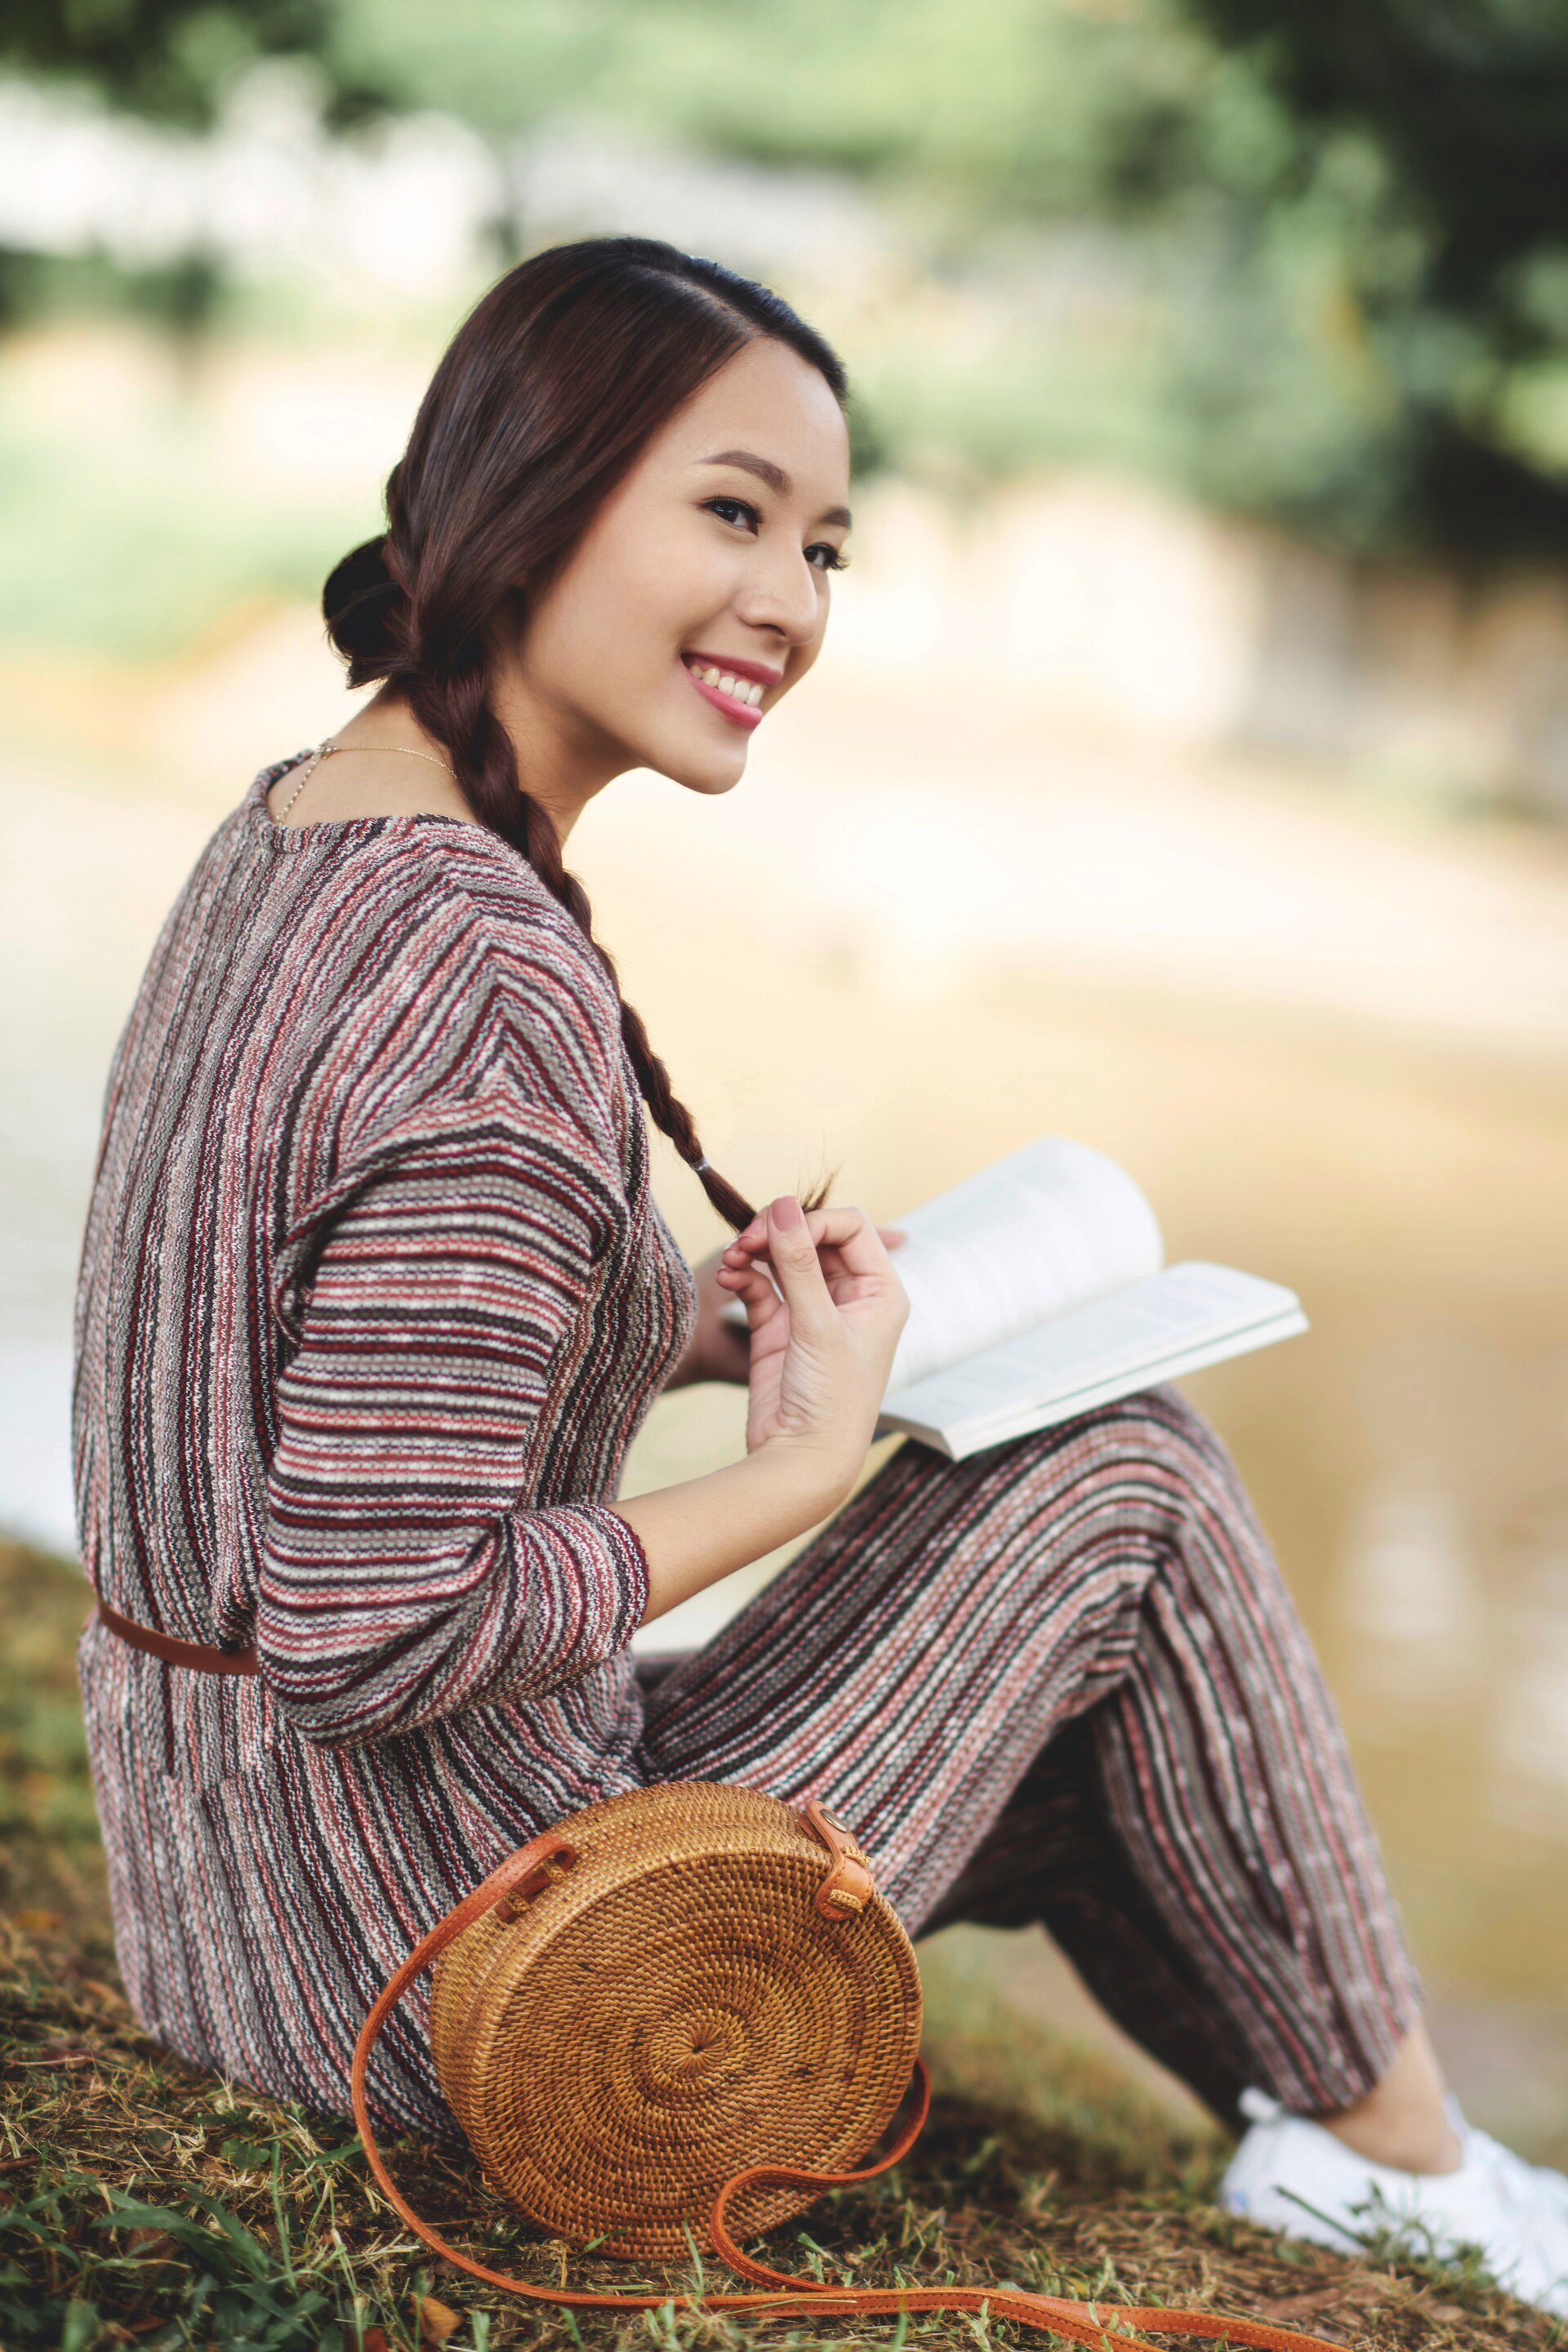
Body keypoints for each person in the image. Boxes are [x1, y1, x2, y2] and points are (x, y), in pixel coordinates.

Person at [72, 235, 1567, 2315]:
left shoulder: (305, 834)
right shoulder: (484, 981)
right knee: (1127, 1485)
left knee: (1075, 1722)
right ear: (536, 485)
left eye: (828, 546)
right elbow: (361, 1627)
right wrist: (796, 1472)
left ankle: (1349, 2149)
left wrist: (676, 1323)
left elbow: (305, 1378)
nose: (791, 600)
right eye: (733, 512)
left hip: (238, 1891)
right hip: (444, 1977)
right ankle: (1413, 2159)